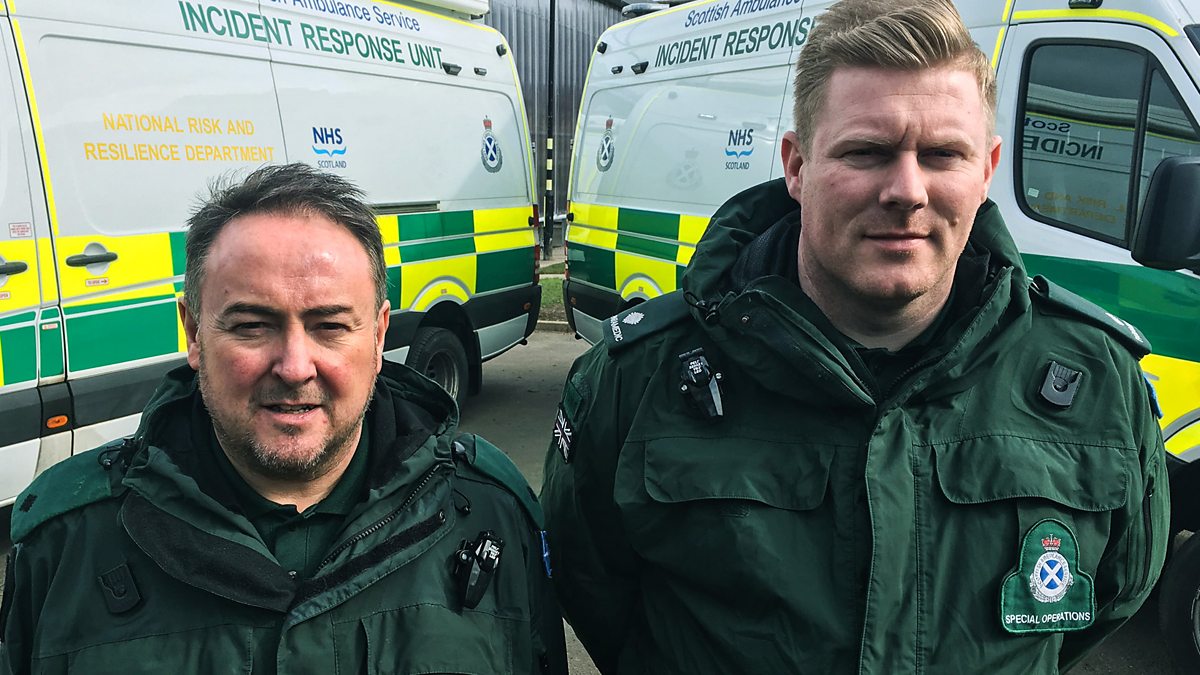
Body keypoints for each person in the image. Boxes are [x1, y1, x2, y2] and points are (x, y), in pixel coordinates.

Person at [541, 1, 1169, 672]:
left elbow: (1116, 589)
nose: (907, 190)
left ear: (985, 170)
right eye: (867, 152)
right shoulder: (636, 379)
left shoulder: (1098, 383)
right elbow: (592, 588)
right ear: (797, 166)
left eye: (942, 154)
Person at [0, 163, 566, 675]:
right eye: (251, 326)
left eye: (330, 326)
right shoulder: (65, 541)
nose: (295, 367)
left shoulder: (491, 511)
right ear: (194, 333)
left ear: (378, 336)